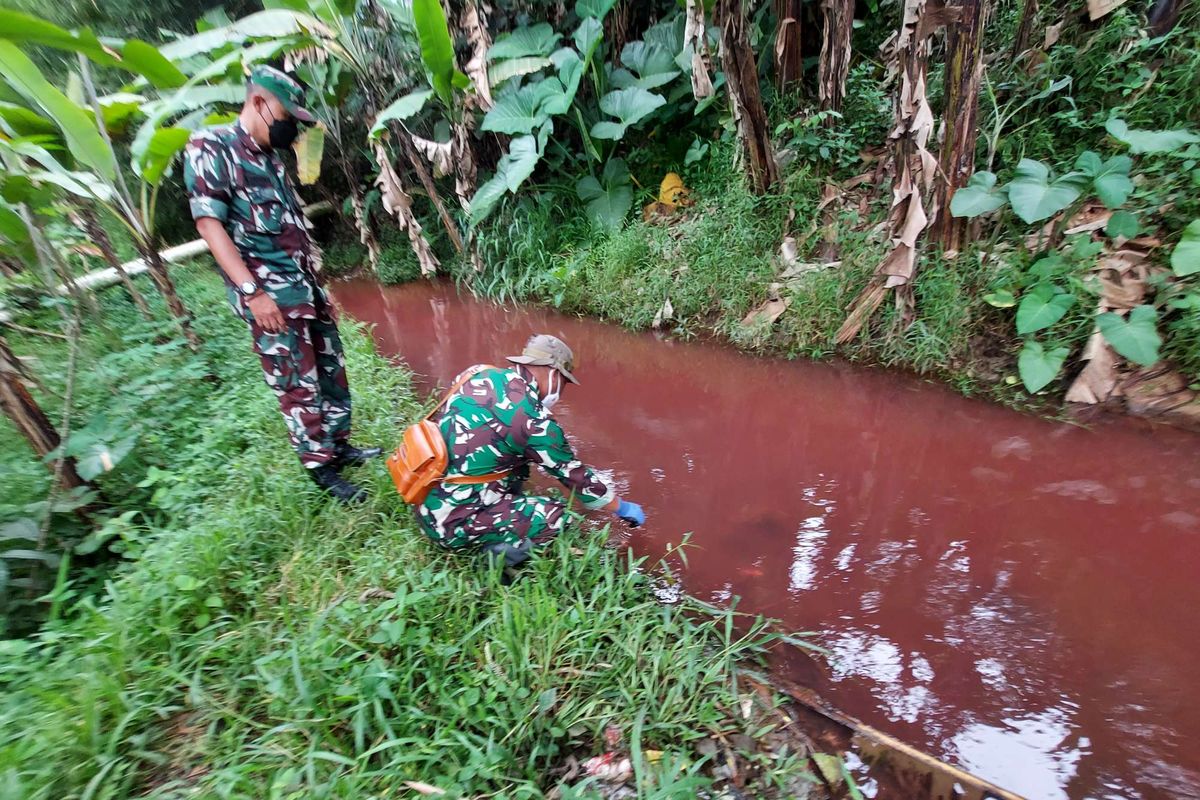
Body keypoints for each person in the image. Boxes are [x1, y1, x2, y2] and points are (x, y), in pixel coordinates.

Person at [183, 65, 378, 503]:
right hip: (270, 298)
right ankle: (321, 468)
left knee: (330, 371)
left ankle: (339, 445)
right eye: (288, 114)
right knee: (296, 382)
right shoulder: (211, 147)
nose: (293, 126)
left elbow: (289, 226)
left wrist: (319, 283)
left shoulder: (270, 159)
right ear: (259, 103)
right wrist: (253, 293)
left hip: (306, 289)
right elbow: (210, 226)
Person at [416, 334, 645, 567]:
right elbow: (576, 477)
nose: (561, 390)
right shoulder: (535, 420)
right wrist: (620, 506)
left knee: (512, 468)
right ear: (553, 373)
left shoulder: (477, 373)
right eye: (563, 382)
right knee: (556, 517)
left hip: (424, 495)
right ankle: (494, 561)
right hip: (449, 524)